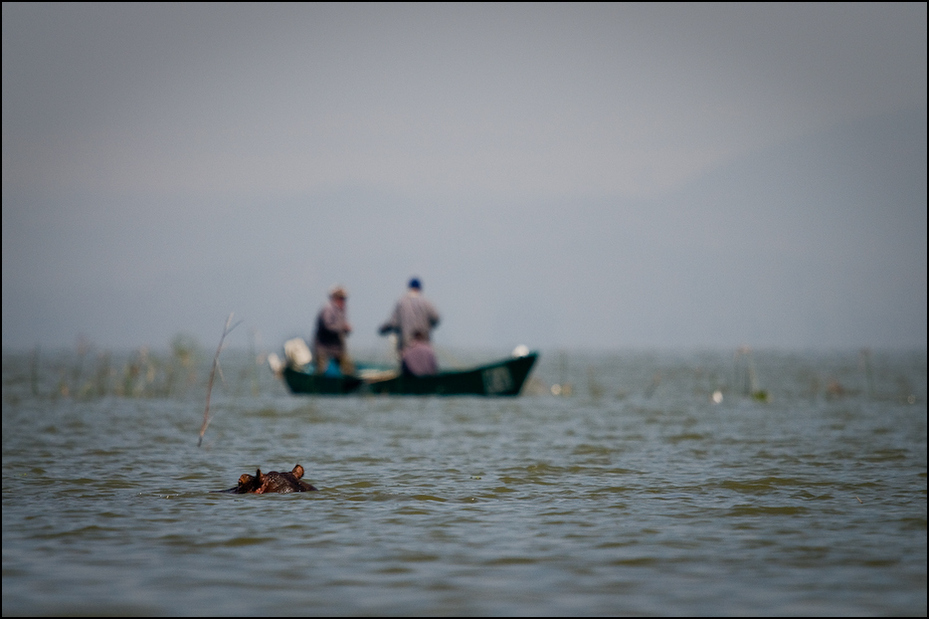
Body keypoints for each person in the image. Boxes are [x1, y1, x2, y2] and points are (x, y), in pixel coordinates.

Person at [378, 277, 440, 357]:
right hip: (424, 344)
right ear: (420, 288)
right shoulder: (426, 303)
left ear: (409, 287)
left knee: (407, 363)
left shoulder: (401, 302)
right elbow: (436, 318)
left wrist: (384, 329)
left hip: (406, 345)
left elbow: (394, 322)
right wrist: (429, 326)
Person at [312, 285, 353, 375]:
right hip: (323, 348)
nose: (343, 301)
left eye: (344, 298)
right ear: (336, 298)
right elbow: (328, 326)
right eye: (341, 298)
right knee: (321, 371)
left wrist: (346, 329)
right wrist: (342, 327)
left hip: (337, 348)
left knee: (348, 369)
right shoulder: (328, 308)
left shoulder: (341, 310)